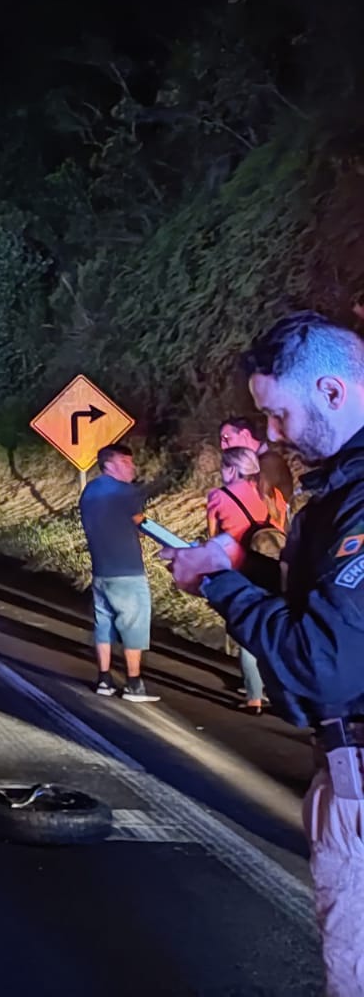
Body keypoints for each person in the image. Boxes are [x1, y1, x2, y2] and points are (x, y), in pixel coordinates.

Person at [162, 313, 364, 993]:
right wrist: (240, 569)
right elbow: (328, 616)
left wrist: (218, 582)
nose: (271, 435)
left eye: (278, 415)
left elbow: (319, 663)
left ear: (334, 393)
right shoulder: (340, 493)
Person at [77, 443, 159, 702]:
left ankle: (104, 679)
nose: (131, 468)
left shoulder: (89, 491)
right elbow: (141, 523)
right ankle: (134, 684)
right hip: (128, 570)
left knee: (104, 624)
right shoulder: (125, 492)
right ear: (109, 465)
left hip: (101, 570)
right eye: (125, 463)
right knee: (133, 625)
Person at [206, 446, 272, 713]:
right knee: (269, 625)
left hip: (238, 569)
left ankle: (254, 696)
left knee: (246, 630)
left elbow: (212, 539)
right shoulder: (264, 493)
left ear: (232, 468)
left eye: (223, 466)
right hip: (268, 564)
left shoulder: (217, 497)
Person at [220, 415, 295, 531]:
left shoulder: (270, 462)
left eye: (226, 438)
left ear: (245, 434)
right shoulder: (259, 464)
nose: (223, 446)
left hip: (275, 538)